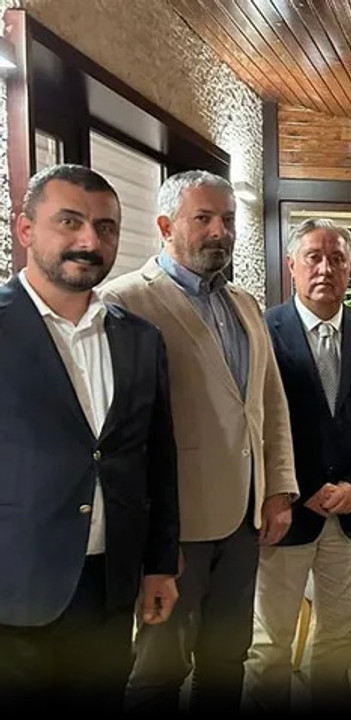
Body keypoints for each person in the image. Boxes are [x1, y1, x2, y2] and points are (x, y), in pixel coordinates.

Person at [102, 170, 298, 713]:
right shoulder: (125, 301)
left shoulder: (245, 304)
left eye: (228, 220)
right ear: (165, 226)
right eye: (204, 218)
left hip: (243, 519)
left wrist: (278, 488)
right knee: (160, 668)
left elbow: (269, 402)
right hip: (176, 522)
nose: (220, 231)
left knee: (227, 658)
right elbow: (121, 428)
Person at [0, 164, 179, 709]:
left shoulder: (140, 338)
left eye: (105, 228)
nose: (89, 241)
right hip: (14, 592)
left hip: (109, 586)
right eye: (69, 221)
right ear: (25, 229)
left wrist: (159, 565)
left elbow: (157, 459)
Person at [244, 219, 351, 712]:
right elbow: (257, 418)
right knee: (270, 643)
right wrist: (305, 484)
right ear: (292, 265)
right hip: (287, 512)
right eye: (313, 257)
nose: (325, 269)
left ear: (349, 268)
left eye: (337, 259)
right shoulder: (263, 331)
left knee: (340, 635)